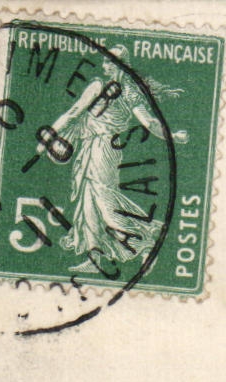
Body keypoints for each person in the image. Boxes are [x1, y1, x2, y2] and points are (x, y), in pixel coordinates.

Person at [46, 49, 189, 275]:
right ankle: (94, 259)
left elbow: (149, 123)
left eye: (111, 62)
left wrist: (172, 136)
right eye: (105, 62)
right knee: (88, 204)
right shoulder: (97, 87)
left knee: (104, 200)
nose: (106, 66)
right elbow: (74, 112)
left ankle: (146, 241)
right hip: (88, 146)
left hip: (105, 148)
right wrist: (51, 134)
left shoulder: (131, 93)